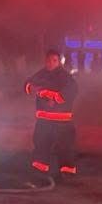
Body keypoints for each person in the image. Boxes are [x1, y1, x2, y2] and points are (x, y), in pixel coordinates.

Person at [24, 48, 79, 177]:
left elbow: (72, 90)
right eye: (48, 60)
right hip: (44, 120)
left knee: (65, 146)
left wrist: (54, 98)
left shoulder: (65, 77)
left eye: (54, 60)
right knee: (41, 144)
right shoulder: (41, 74)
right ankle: (39, 170)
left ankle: (67, 171)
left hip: (62, 121)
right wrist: (30, 88)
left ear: (59, 62)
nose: (51, 63)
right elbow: (28, 84)